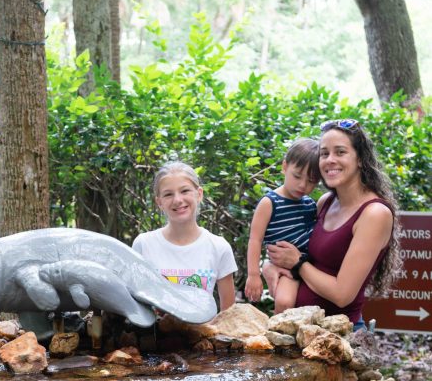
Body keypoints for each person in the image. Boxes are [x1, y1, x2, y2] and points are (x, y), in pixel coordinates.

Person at [266, 120, 400, 327]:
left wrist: (298, 264)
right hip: (300, 329)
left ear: (361, 159)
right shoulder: (325, 203)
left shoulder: (374, 214)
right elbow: (299, 253)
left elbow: (342, 294)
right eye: (324, 153)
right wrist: (271, 267)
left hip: (337, 337)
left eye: (340, 152)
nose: (330, 160)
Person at [132, 160, 237, 315]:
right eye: (168, 194)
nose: (178, 200)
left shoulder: (218, 246)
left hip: (202, 337)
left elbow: (229, 315)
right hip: (154, 337)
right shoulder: (144, 244)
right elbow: (136, 307)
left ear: (199, 194)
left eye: (185, 191)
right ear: (159, 202)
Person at [245, 138, 320, 313]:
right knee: (285, 302)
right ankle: (279, 337)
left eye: (311, 181)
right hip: (286, 268)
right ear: (285, 167)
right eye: (297, 176)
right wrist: (253, 274)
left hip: (310, 267)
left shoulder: (310, 204)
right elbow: (255, 240)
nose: (303, 185)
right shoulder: (270, 202)